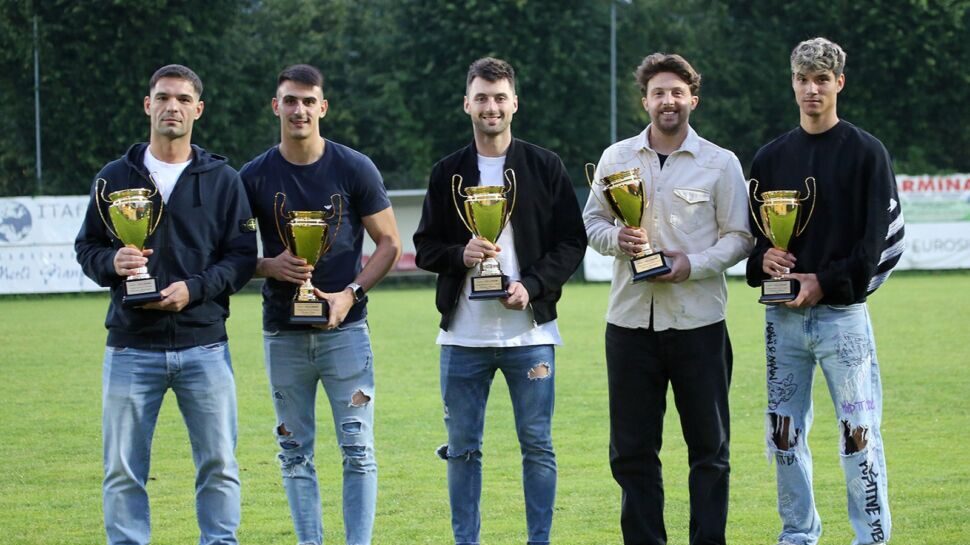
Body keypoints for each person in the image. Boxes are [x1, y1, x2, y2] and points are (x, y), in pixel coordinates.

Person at [75, 64, 257, 545]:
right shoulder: (114, 177)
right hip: (131, 347)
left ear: (198, 109)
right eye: (162, 97)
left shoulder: (223, 178)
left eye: (181, 99)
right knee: (122, 470)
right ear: (147, 105)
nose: (171, 107)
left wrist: (193, 289)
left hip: (205, 346)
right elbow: (86, 249)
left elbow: (241, 257)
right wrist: (112, 260)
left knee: (219, 464)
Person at [413, 57, 587, 545]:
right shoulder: (446, 172)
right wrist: (459, 253)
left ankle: (539, 540)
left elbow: (572, 242)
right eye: (482, 97)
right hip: (462, 338)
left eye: (500, 97)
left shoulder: (545, 166)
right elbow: (425, 246)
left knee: (538, 446)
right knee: (464, 449)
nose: (491, 106)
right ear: (467, 103)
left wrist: (532, 285)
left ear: (515, 102)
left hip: (529, 336)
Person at [583, 53, 754, 545]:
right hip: (630, 326)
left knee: (709, 449)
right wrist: (619, 240)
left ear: (692, 100)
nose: (668, 101)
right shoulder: (616, 158)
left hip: (699, 324)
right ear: (645, 100)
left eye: (677, 92)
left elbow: (740, 236)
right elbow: (592, 223)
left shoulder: (721, 163)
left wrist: (691, 264)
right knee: (632, 452)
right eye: (659, 92)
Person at [746, 37, 903, 545]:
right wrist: (762, 261)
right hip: (783, 322)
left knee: (859, 437)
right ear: (792, 83)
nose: (811, 89)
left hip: (844, 319)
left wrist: (823, 281)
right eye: (802, 79)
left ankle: (871, 537)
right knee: (783, 438)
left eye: (821, 80)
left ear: (839, 83)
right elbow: (749, 244)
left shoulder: (866, 153)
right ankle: (798, 535)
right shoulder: (770, 158)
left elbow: (876, 247)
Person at [240, 64, 401, 545]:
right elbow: (228, 254)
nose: (299, 110)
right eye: (290, 100)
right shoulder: (253, 176)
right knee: (293, 452)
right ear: (276, 106)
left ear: (323, 108)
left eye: (309, 101)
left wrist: (349, 294)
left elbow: (389, 242)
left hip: (345, 334)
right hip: (282, 334)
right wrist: (270, 266)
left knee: (357, 449)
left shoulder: (353, 167)